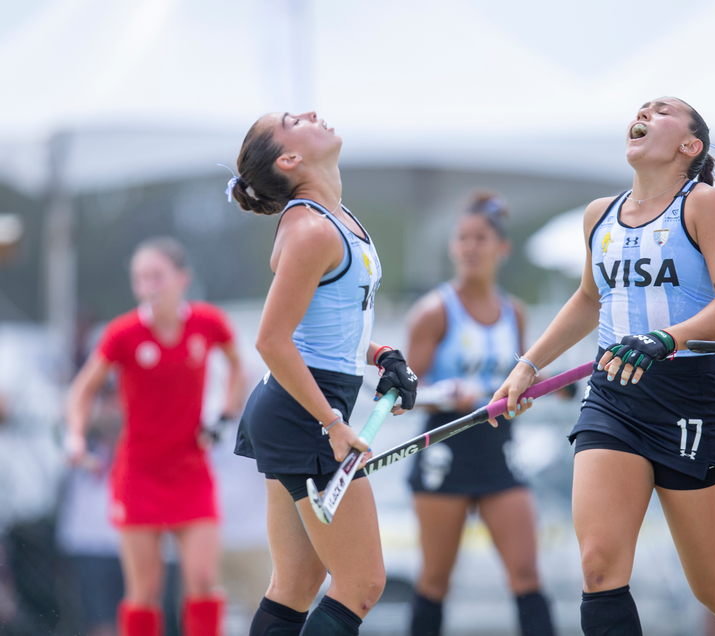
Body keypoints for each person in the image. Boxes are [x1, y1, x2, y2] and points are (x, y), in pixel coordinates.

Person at [490, 97, 715, 635]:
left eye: (662, 111)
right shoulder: (598, 214)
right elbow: (589, 299)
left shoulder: (703, 204)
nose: (644, 113)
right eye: (642, 108)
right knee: (599, 567)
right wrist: (528, 364)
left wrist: (667, 338)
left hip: (689, 399)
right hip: (614, 398)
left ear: (690, 146)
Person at [228, 111, 418, 636]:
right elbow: (272, 340)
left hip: (300, 408)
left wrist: (381, 355)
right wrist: (332, 424)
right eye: (294, 120)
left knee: (295, 585)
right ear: (290, 159)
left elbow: (332, 327)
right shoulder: (311, 230)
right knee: (362, 584)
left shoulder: (335, 217)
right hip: (304, 413)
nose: (311, 114)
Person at [66, 237, 245, 636]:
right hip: (139, 473)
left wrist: (224, 415)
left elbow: (239, 366)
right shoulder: (124, 333)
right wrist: (76, 437)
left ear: (182, 278)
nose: (148, 286)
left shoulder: (208, 323)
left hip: (191, 470)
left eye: (156, 276)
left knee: (203, 581)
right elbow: (82, 391)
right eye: (140, 278)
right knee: (145, 590)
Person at [405, 192, 555, 636]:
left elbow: (518, 381)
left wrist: (536, 390)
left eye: (480, 238)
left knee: (526, 574)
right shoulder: (433, 312)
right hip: (444, 450)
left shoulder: (515, 313)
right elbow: (401, 395)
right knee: (435, 580)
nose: (470, 247)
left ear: (502, 248)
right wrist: (448, 394)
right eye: (462, 238)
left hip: (497, 451)